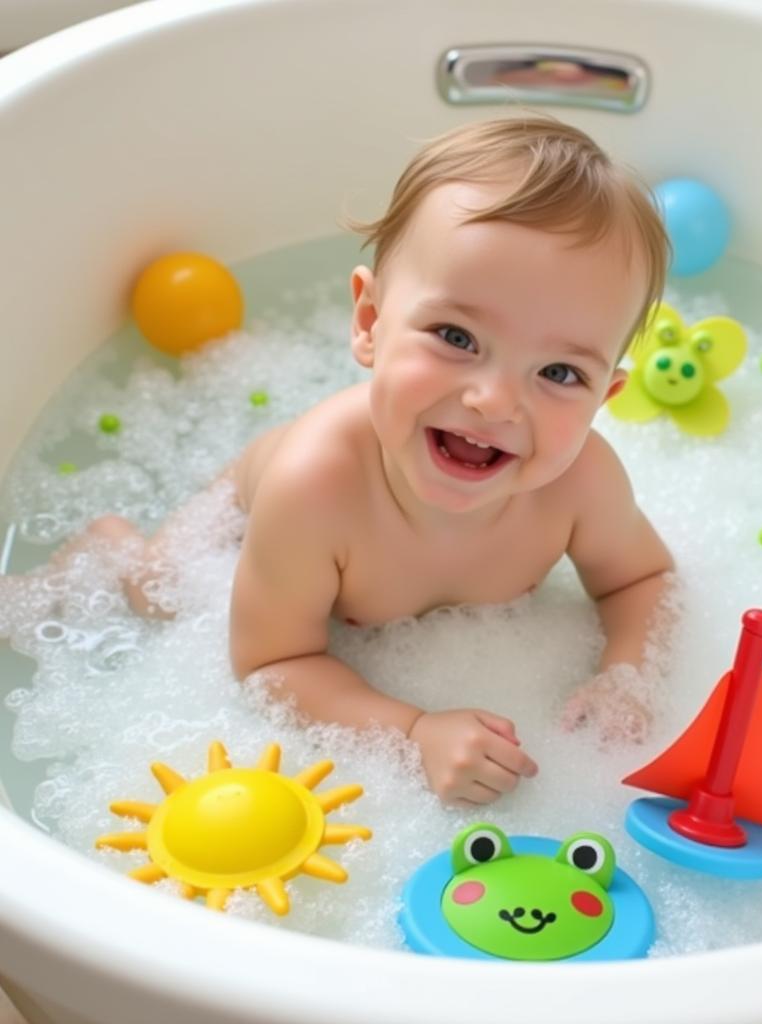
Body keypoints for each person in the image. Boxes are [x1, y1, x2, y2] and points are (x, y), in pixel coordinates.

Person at [54, 116, 676, 807]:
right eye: (456, 336)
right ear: (370, 322)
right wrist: (412, 732)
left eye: (560, 373)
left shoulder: (582, 482)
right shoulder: (315, 489)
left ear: (605, 396)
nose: (494, 401)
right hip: (242, 522)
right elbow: (270, 661)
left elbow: (642, 577)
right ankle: (111, 546)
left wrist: (627, 672)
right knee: (155, 595)